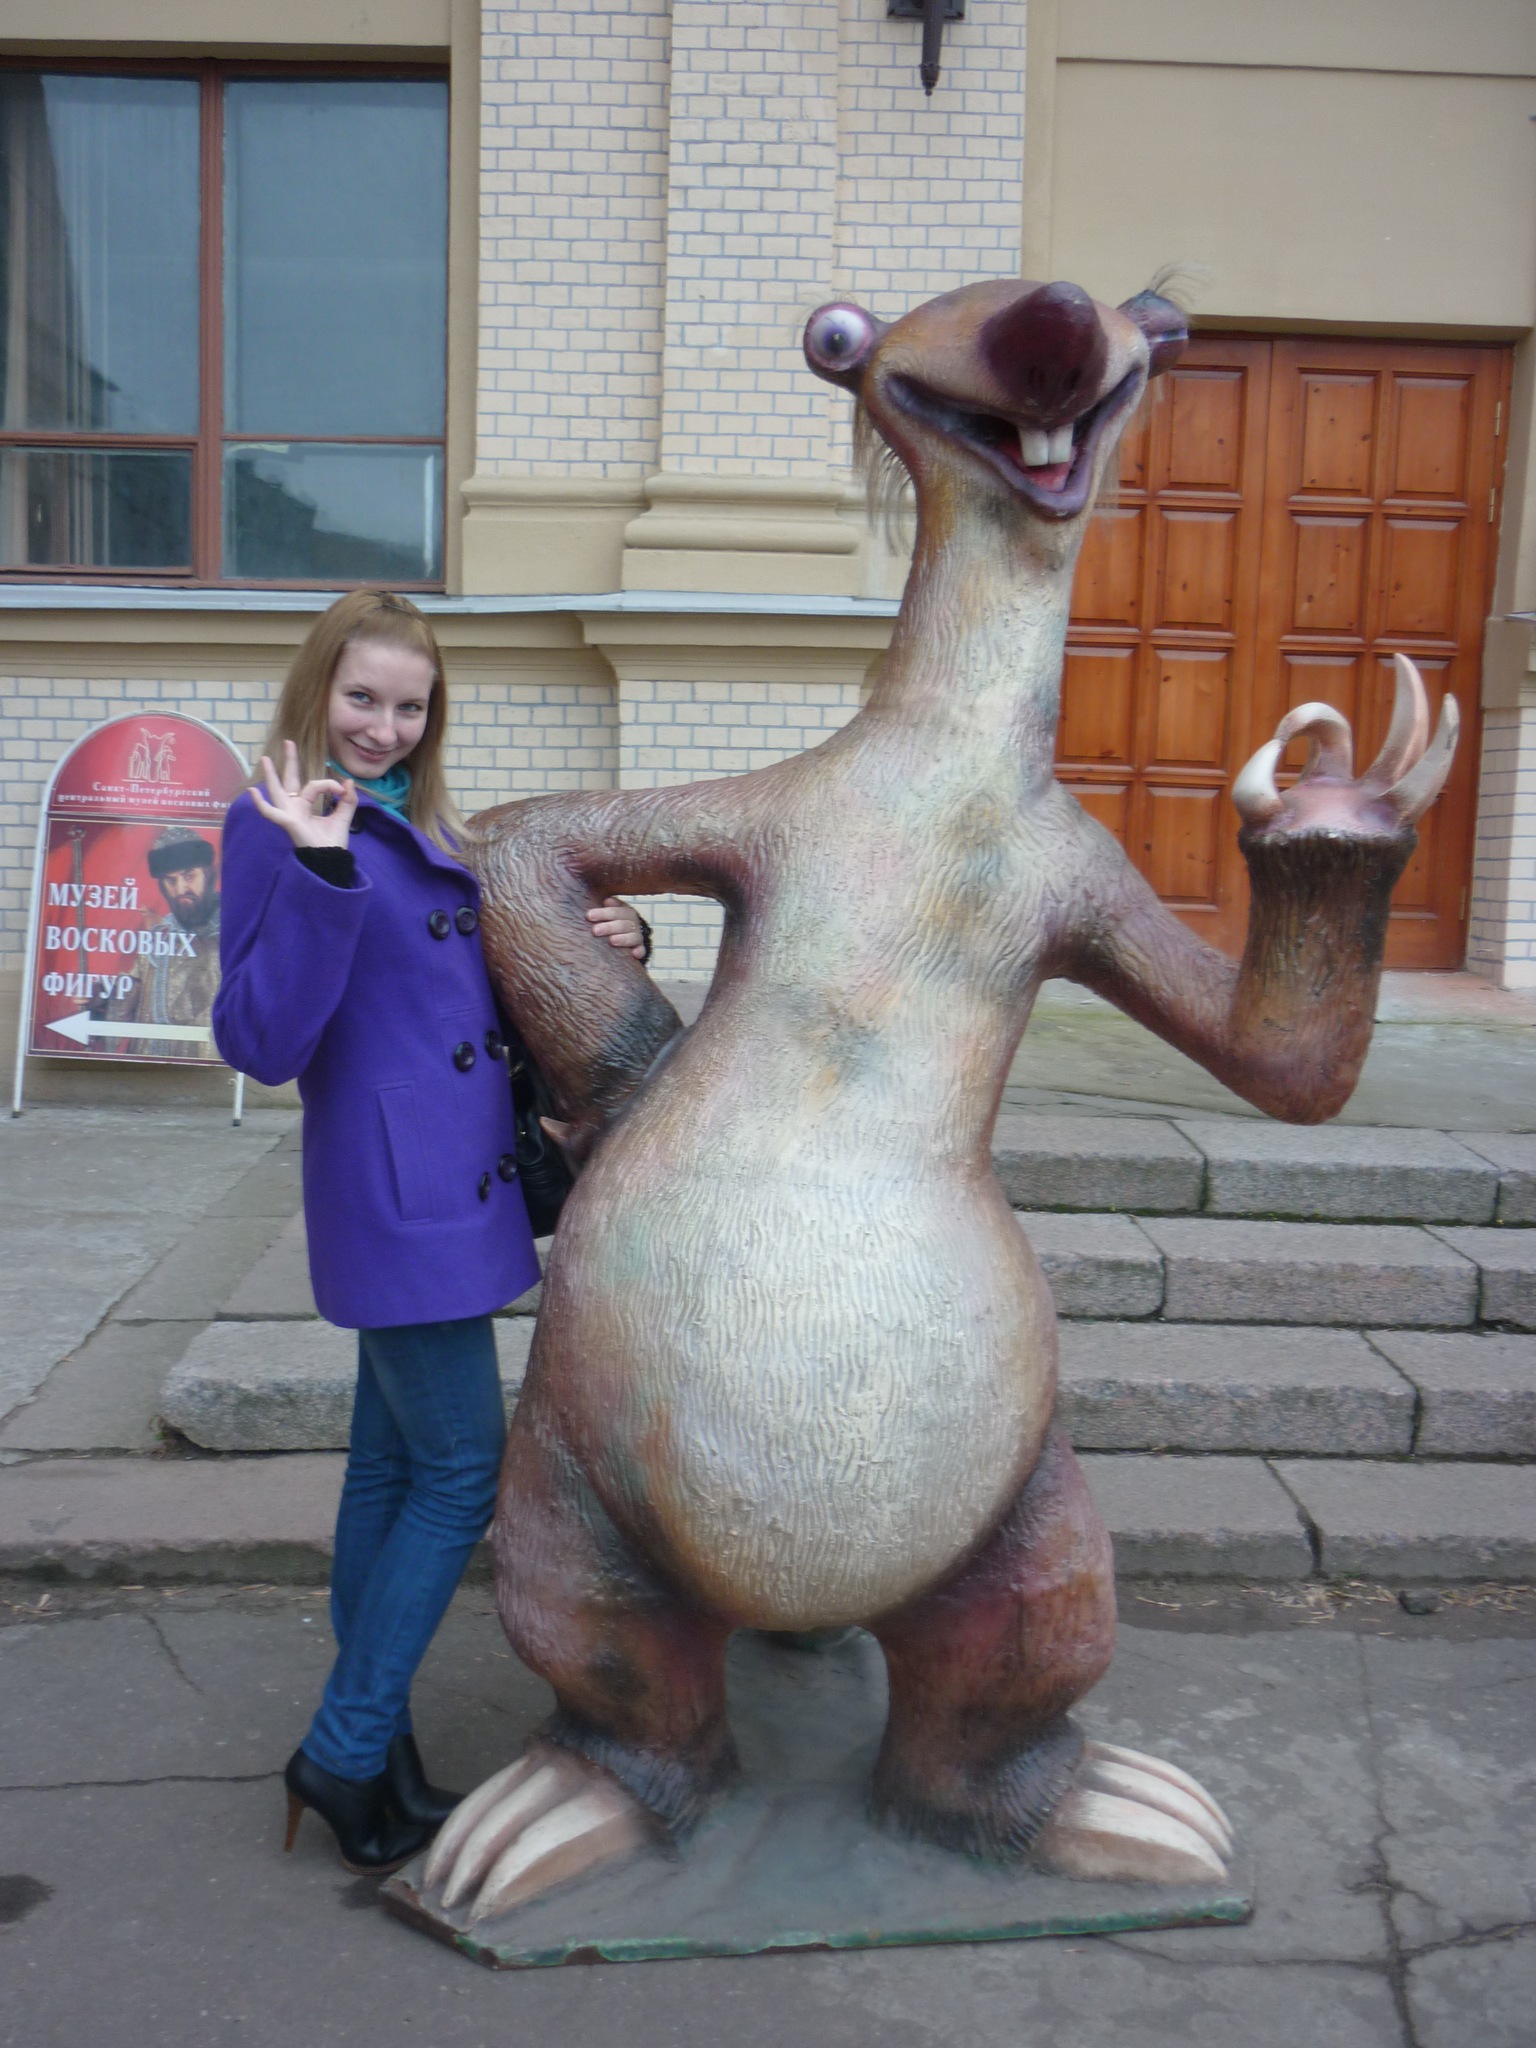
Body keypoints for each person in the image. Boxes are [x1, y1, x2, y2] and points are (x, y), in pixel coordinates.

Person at [212, 588, 648, 1876]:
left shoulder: (436, 827)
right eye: (362, 698)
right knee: (462, 1469)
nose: (382, 727)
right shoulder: (272, 824)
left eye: (409, 706)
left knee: (390, 1468)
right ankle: (345, 1749)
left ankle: (381, 1752)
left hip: (458, 1183)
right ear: (318, 689)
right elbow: (259, 1038)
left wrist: (613, 938)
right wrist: (320, 867)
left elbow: (471, 1000)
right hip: (393, 1190)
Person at [96, 824, 222, 1056]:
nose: (181, 889)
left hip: (209, 1067)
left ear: (208, 874)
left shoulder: (237, 930)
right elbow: (126, 1004)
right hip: (151, 1068)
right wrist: (100, 997)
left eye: (189, 876)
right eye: (170, 880)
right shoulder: (158, 935)